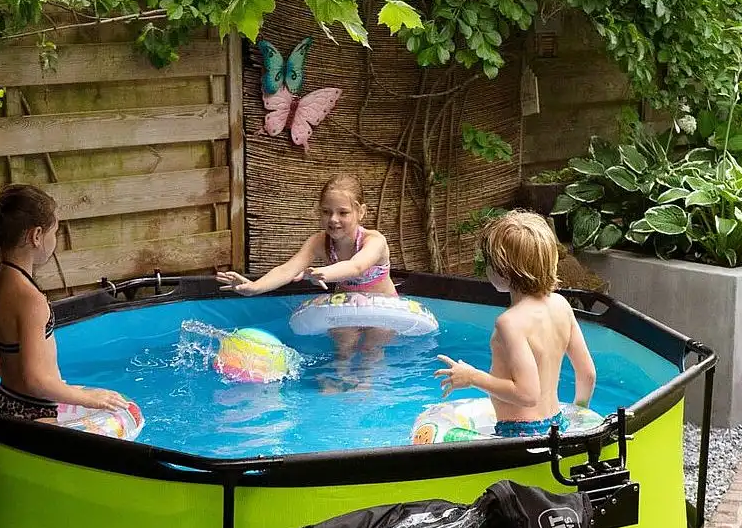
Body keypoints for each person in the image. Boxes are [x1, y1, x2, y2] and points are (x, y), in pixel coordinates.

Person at [0, 184, 129, 423]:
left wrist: (28, 381)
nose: (55, 240)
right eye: (54, 232)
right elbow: (36, 381)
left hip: (3, 400)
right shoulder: (31, 300)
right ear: (36, 236)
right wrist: (87, 397)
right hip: (33, 413)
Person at [435, 210, 596, 438]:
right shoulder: (561, 305)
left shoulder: (509, 322)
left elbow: (527, 394)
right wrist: (580, 413)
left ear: (503, 273)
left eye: (488, 263)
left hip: (520, 432)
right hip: (557, 422)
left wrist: (472, 377)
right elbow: (587, 374)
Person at [215, 173, 398, 372]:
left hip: (383, 309)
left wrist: (325, 273)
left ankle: (366, 384)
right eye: (326, 212)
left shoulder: (374, 241)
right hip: (346, 308)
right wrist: (254, 287)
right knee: (343, 350)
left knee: (371, 350)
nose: (333, 219)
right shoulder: (319, 242)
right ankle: (339, 379)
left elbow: (356, 267)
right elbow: (287, 269)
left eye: (343, 213)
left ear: (360, 212)